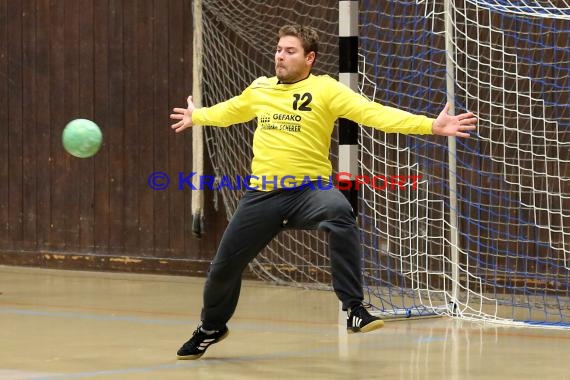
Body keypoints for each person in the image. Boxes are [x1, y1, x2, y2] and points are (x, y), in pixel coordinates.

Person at [170, 24, 477, 360]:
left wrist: (430, 125)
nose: (280, 56)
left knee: (339, 210)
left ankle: (354, 309)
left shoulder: (326, 90)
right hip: (263, 195)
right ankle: (212, 327)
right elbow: (228, 112)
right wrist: (197, 116)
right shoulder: (259, 90)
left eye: (290, 51)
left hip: (309, 192)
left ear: (310, 58)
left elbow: (374, 114)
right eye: (278, 50)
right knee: (223, 267)